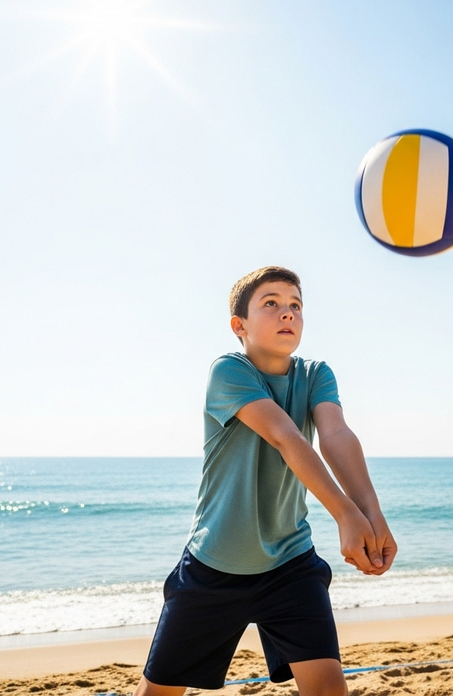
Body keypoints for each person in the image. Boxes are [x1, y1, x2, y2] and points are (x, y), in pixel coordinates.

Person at [134, 266, 397, 696]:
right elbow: (285, 437)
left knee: (329, 689)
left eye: (295, 305)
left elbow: (336, 436)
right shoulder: (228, 370)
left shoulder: (316, 374)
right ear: (239, 325)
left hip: (291, 564)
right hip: (215, 565)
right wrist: (345, 515)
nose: (287, 313)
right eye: (271, 303)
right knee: (158, 692)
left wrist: (372, 515)